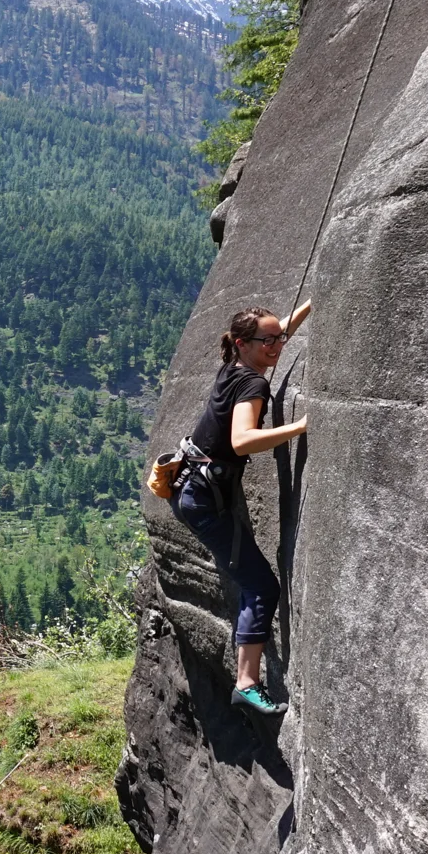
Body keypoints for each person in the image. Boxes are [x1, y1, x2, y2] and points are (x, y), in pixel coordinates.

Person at [174, 302, 311, 717]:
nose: (277, 346)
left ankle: (246, 678)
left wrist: (311, 302)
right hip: (205, 501)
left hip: (192, 489)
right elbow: (242, 440)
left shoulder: (233, 366)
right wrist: (301, 427)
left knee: (251, 579)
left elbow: (273, 329)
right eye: (267, 341)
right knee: (262, 586)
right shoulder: (252, 384)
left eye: (279, 338)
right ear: (241, 343)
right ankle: (247, 683)